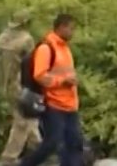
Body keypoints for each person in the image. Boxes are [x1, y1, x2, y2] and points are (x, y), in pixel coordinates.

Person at [8, 13, 82, 166]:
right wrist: (63, 81)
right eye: (70, 28)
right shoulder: (46, 48)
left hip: (70, 104)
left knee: (75, 143)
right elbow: (39, 76)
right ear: (61, 27)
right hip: (53, 103)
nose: (72, 32)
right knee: (52, 143)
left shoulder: (65, 48)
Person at [0, 10, 43, 160]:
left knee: (29, 117)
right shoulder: (26, 40)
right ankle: (9, 157)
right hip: (19, 85)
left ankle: (39, 149)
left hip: (4, 83)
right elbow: (32, 64)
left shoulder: (2, 38)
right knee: (22, 121)